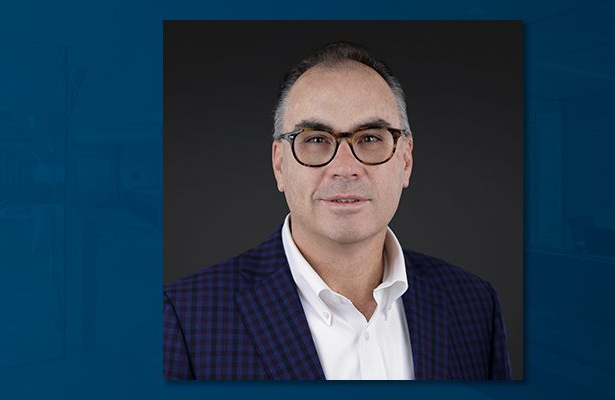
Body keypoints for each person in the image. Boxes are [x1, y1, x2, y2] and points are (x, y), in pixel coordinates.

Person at [163, 41, 511, 380]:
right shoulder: (185, 316)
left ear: (406, 160)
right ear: (279, 164)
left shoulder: (474, 304)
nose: (345, 167)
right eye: (315, 139)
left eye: (371, 138)